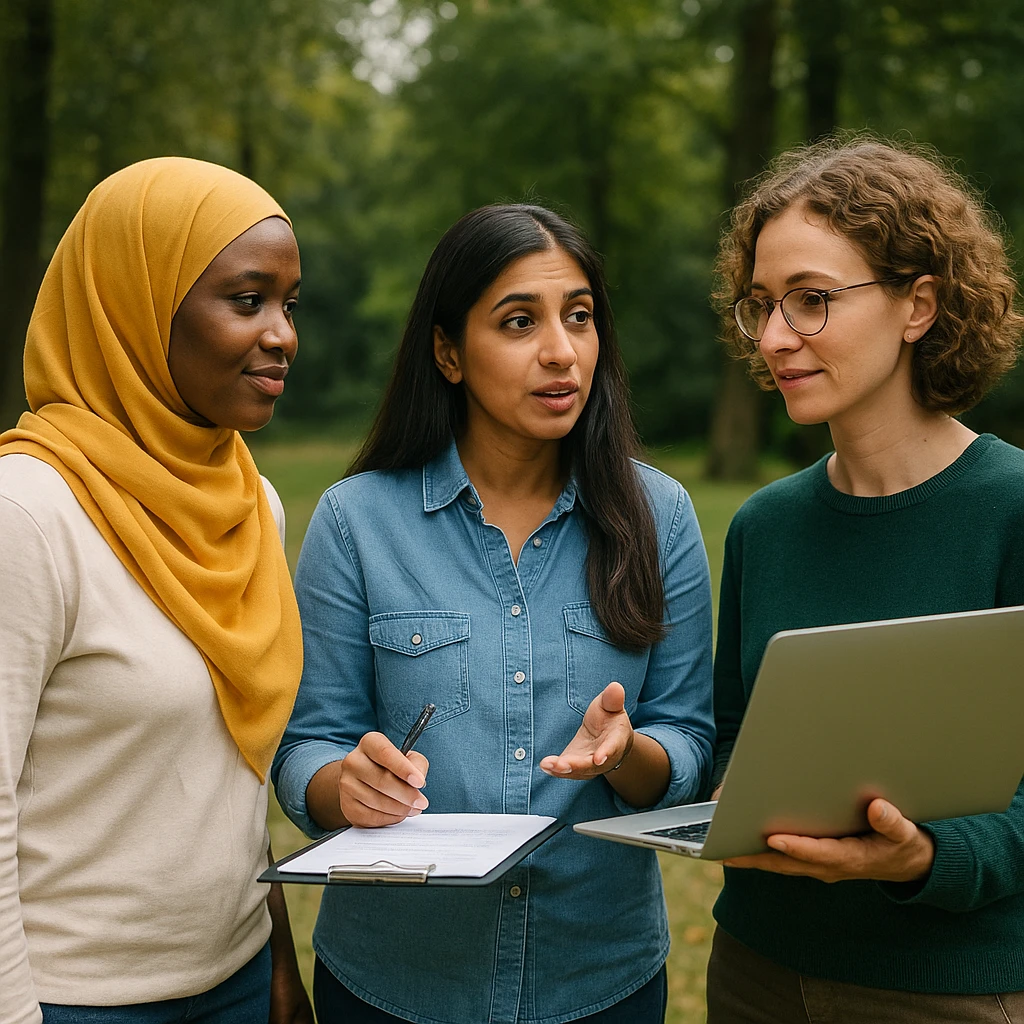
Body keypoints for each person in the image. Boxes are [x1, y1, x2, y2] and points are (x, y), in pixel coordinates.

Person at [272, 203, 715, 1024]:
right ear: (448, 352)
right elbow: (306, 749)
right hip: (394, 982)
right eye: (520, 322)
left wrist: (625, 754)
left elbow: (688, 740)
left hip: (602, 980)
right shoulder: (354, 522)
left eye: (579, 318)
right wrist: (348, 787)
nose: (561, 351)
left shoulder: (662, 515)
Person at [706, 136, 1024, 1022]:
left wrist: (922, 856)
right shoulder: (764, 526)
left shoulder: (1013, 511)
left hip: (949, 987)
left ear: (917, 305)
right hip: (755, 972)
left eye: (811, 302)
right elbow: (736, 733)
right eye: (762, 305)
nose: (775, 339)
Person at [0, 158, 313, 1024]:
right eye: (248, 300)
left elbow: (233, 766)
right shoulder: (28, 515)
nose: (283, 333)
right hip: (76, 1002)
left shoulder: (252, 502)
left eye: (291, 304)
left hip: (240, 981)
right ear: (134, 306)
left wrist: (279, 958)